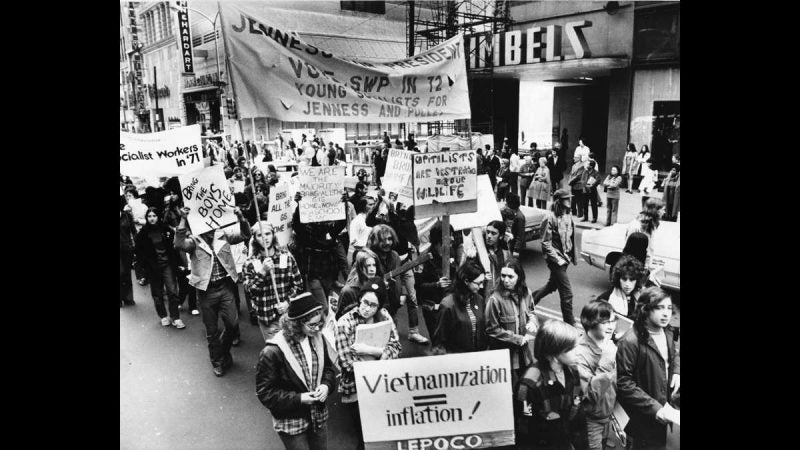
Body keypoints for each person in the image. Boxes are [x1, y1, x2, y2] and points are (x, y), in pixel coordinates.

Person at [174, 205, 251, 377]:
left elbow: (246, 234)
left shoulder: (222, 235)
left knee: (232, 324)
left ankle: (222, 353)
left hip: (225, 287)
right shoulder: (193, 241)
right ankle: (217, 361)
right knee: (212, 331)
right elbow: (178, 243)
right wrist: (183, 219)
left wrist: (241, 216)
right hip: (206, 292)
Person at [256, 292, 337, 450]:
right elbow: (265, 394)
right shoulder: (272, 351)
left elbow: (328, 369)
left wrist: (326, 386)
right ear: (297, 324)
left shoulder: (318, 338)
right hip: (291, 423)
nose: (318, 328)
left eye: (320, 323)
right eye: (312, 325)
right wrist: (299, 398)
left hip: (318, 417)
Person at [335, 280, 401, 450]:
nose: (367, 308)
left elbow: (396, 347)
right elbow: (347, 363)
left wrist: (370, 350)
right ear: (359, 300)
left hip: (382, 384)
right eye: (365, 302)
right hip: (356, 388)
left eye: (373, 305)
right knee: (365, 435)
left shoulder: (384, 316)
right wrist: (382, 357)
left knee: (384, 429)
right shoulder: (344, 323)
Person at [616, 287, 680, 450]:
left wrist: (677, 371)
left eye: (669, 308)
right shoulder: (630, 341)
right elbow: (625, 384)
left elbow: (674, 354)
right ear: (645, 309)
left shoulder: (667, 331)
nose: (666, 314)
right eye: (659, 308)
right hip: (643, 416)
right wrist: (655, 409)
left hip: (664, 407)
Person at [516, 320, 583, 449]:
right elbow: (525, 428)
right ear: (553, 354)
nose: (579, 353)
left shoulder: (573, 371)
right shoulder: (529, 385)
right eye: (572, 349)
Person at [243, 222, 304, 343]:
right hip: (267, 318)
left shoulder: (287, 256)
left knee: (293, 349)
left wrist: (287, 302)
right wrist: (262, 272)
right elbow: (250, 291)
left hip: (288, 316)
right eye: (260, 235)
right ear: (254, 239)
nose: (265, 238)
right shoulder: (249, 263)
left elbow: (298, 284)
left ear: (273, 235)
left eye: (267, 234)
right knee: (276, 351)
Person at [367, 224, 428, 344]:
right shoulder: (369, 258)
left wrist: (403, 293)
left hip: (392, 305)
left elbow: (400, 276)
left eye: (389, 239)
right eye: (383, 240)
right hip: (376, 306)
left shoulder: (394, 256)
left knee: (393, 341)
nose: (387, 243)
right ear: (375, 241)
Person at [574, 301, 618, 450]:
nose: (611, 326)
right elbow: (590, 394)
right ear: (590, 322)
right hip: (591, 421)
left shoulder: (608, 344)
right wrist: (606, 359)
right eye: (605, 322)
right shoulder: (579, 353)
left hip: (607, 415)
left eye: (613, 321)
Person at [292, 191, 348, 307]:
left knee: (326, 299)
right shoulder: (307, 231)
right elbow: (297, 225)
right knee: (323, 306)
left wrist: (343, 204)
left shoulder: (330, 229)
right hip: (313, 273)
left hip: (329, 272)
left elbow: (341, 223)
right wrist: (300, 206)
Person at [531, 189, 577, 326]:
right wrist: (558, 259)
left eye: (570, 198)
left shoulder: (568, 216)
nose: (569, 201)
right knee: (567, 295)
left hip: (565, 260)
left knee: (551, 286)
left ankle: (529, 302)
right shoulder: (549, 217)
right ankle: (570, 324)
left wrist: (570, 257)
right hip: (556, 261)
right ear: (558, 201)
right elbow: (545, 243)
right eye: (566, 199)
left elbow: (571, 239)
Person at [134, 207, 185, 329]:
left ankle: (175, 317)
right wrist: (144, 268)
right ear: (147, 218)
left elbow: (174, 248)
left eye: (154, 216)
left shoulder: (166, 230)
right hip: (153, 267)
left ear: (158, 217)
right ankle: (163, 316)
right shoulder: (143, 233)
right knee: (157, 294)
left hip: (167, 265)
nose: (152, 218)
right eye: (149, 216)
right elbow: (139, 252)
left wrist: (178, 263)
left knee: (172, 292)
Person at [486, 258, 537, 377]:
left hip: (524, 354)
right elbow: (492, 329)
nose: (506, 280)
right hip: (506, 356)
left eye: (510, 276)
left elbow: (532, 312)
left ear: (519, 277)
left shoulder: (526, 293)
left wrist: (532, 322)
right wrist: (517, 339)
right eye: (503, 276)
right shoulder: (495, 300)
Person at [432, 260, 488, 354]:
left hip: (478, 358)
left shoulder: (479, 299)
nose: (482, 286)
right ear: (466, 281)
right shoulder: (448, 305)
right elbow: (439, 342)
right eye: (479, 283)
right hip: (457, 360)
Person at [415, 220, 457, 339]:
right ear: (439, 238)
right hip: (432, 308)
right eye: (450, 235)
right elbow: (419, 287)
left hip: (449, 306)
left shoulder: (451, 253)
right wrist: (437, 285)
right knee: (438, 341)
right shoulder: (424, 259)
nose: (453, 239)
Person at [338, 248, 385, 320]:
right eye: (368, 266)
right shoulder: (347, 291)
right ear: (360, 267)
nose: (372, 269)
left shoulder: (378, 286)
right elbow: (339, 317)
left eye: (374, 265)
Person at [597, 255, 647, 320]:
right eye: (624, 279)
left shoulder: (642, 298)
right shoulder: (605, 299)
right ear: (618, 279)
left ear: (637, 280)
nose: (627, 284)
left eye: (631, 280)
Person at [120, 196, 137, 307]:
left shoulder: (127, 215)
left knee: (126, 273)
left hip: (127, 248)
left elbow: (133, 231)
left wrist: (134, 245)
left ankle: (128, 298)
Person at [348, 197, 373, 266]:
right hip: (361, 254)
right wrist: (364, 248)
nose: (373, 206)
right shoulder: (357, 220)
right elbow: (353, 241)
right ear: (364, 206)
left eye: (373, 204)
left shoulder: (371, 219)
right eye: (370, 204)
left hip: (370, 254)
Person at [501, 193, 526, 259]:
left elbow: (520, 235)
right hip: (509, 244)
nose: (505, 205)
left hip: (514, 246)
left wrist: (516, 250)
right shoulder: (509, 212)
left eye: (507, 203)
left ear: (511, 205)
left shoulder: (520, 217)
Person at [567, 154, 585, 219]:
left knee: (579, 200)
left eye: (575, 157)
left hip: (578, 184)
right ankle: (573, 211)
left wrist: (570, 181)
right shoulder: (574, 165)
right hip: (573, 184)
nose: (574, 158)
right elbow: (571, 174)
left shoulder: (582, 166)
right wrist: (569, 180)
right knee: (573, 199)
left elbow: (578, 176)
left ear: (579, 158)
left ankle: (580, 213)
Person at [663, 155, 680, 222]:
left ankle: (669, 215)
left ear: (677, 159)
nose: (672, 159)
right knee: (675, 201)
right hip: (676, 185)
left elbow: (672, 174)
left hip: (672, 185)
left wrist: (667, 178)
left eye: (673, 158)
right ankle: (674, 216)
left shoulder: (675, 166)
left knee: (669, 200)